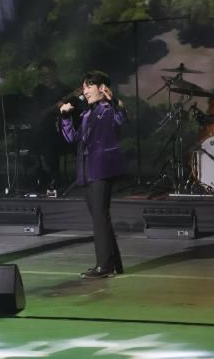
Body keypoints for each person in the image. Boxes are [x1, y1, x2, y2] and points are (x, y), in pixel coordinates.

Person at [60, 71, 127, 279]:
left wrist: (113, 99)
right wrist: (65, 117)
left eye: (89, 86)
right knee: (99, 217)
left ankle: (104, 266)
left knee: (100, 216)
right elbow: (72, 139)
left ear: (102, 88)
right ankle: (113, 263)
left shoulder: (109, 110)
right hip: (87, 170)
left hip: (101, 168)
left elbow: (121, 120)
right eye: (84, 87)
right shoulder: (87, 114)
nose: (85, 91)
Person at [31, 59, 74, 190]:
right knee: (41, 140)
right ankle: (45, 177)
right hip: (43, 133)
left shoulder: (65, 90)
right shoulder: (38, 91)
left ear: (54, 73)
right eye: (41, 75)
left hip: (64, 132)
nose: (44, 78)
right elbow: (37, 114)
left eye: (47, 74)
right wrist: (55, 107)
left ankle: (57, 178)